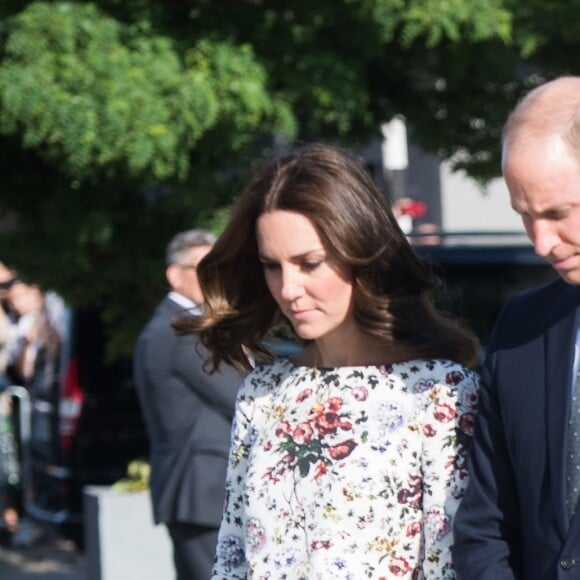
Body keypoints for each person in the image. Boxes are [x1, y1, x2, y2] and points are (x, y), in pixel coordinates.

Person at [174, 143, 480, 577]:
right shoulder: (263, 392)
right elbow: (233, 554)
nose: (288, 288)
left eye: (309, 262)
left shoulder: (439, 394)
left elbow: (446, 564)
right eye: (272, 266)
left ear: (361, 251)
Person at [452, 75, 580, 579]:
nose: (541, 242)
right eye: (525, 215)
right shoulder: (523, 328)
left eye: (557, 213)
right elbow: (486, 525)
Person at [134, 229, 245, 580]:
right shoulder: (182, 332)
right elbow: (244, 399)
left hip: (200, 494)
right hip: (202, 493)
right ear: (175, 275)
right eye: (205, 267)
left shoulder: (175, 326)